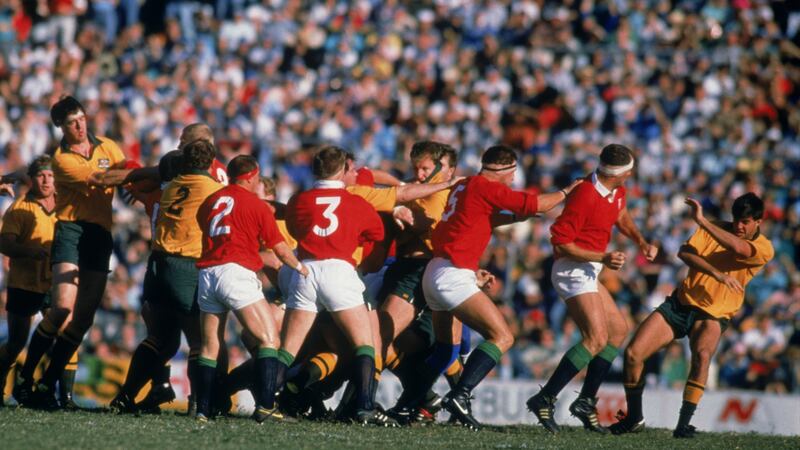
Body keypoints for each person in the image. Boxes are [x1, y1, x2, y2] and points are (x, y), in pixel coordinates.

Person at [409, 144, 578, 430]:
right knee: (502, 336)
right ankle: (460, 395)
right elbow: (538, 204)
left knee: (443, 351)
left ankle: (407, 405)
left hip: (437, 269)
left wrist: (515, 218)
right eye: (513, 173)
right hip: (452, 274)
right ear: (503, 170)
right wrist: (567, 192)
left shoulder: (467, 184)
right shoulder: (486, 186)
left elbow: (484, 217)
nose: (514, 179)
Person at [21, 96, 150, 408]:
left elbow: (123, 169)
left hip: (100, 233)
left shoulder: (107, 145)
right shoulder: (61, 159)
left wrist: (134, 186)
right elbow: (104, 178)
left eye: (81, 118)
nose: (79, 126)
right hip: (71, 230)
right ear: (61, 128)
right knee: (63, 308)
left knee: (83, 319)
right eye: (71, 123)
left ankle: (46, 384)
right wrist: (148, 174)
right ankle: (26, 378)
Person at [610, 193, 774, 438]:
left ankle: (682, 425)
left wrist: (702, 221)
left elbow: (737, 247)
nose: (739, 226)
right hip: (681, 303)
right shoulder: (715, 227)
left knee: (702, 356)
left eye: (746, 222)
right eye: (737, 219)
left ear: (758, 222)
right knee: (633, 353)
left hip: (714, 313)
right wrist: (716, 273)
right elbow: (684, 253)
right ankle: (634, 417)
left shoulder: (764, 248)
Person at [527, 143, 658, 434]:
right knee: (596, 338)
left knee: (618, 331)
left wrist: (640, 241)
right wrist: (603, 257)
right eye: (630, 170)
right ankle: (544, 398)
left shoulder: (615, 190)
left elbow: (620, 215)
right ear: (622, 173)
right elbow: (560, 242)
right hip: (571, 269)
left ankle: (585, 401)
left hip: (588, 268)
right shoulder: (585, 195)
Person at [114, 123, 229, 414]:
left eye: (183, 142)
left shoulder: (170, 183)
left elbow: (141, 179)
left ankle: (132, 393)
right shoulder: (211, 183)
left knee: (161, 339)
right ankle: (201, 402)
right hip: (188, 262)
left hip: (157, 263)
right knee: (202, 339)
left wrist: (124, 181)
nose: (178, 145)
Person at [195, 155, 307, 423]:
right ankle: (267, 406)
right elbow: (280, 248)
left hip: (208, 273)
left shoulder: (210, 201)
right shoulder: (256, 205)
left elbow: (204, 225)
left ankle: (203, 409)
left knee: (210, 345)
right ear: (251, 177)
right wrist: (301, 268)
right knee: (269, 339)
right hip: (236, 272)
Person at [280, 145, 388, 425]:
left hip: (305, 270)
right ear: (341, 170)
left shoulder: (299, 200)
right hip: (340, 270)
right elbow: (376, 232)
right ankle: (364, 407)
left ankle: (269, 401)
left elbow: (294, 229)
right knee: (364, 344)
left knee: (288, 348)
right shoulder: (356, 203)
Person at [0, 156, 58, 407]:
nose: (46, 181)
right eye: (41, 176)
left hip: (54, 282)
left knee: (63, 330)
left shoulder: (65, 204)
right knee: (16, 343)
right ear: (31, 179)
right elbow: (3, 243)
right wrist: (28, 251)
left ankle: (49, 390)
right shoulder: (21, 208)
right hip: (24, 282)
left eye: (50, 176)